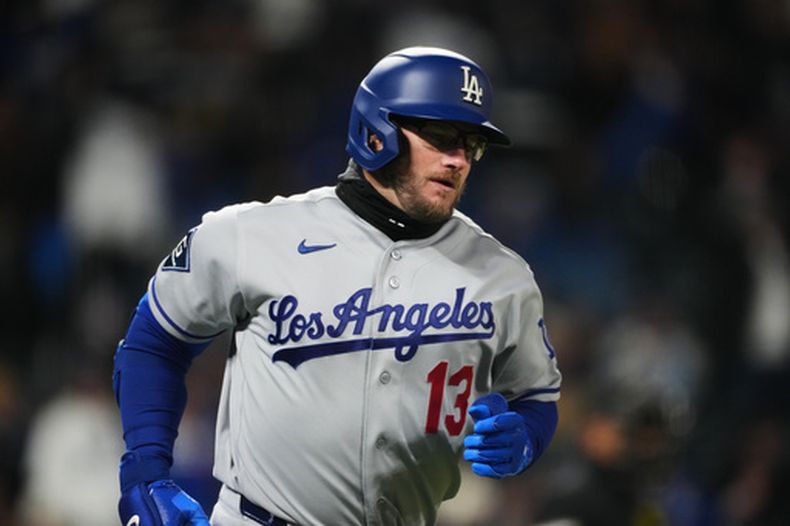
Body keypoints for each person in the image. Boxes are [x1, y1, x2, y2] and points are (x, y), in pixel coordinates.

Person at [113, 46, 562, 526]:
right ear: (377, 131)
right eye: (441, 136)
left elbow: (536, 396)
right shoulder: (252, 234)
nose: (458, 160)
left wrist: (526, 439)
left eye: (471, 144)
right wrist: (145, 470)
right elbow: (154, 343)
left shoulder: (503, 277)